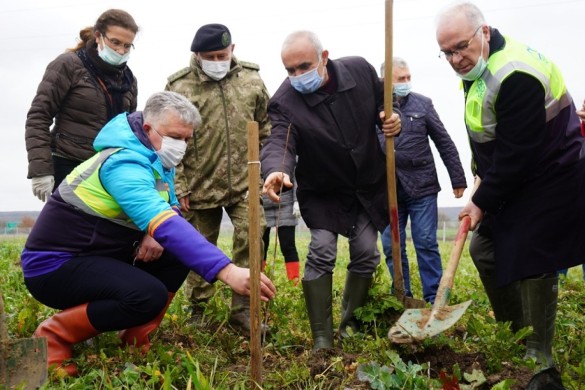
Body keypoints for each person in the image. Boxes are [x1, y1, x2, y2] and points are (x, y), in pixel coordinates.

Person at [21, 91, 276, 377]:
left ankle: (134, 336)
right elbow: (164, 221)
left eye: (187, 139)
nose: (181, 146)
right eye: (175, 137)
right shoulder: (123, 164)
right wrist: (227, 271)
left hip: (98, 254)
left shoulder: (154, 160)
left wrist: (153, 232)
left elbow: (169, 209)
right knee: (146, 296)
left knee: (176, 256)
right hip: (54, 267)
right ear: (147, 129)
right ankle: (54, 336)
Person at [436, 2, 585, 386]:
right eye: (447, 51)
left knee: (534, 255)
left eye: (461, 47)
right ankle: (516, 332)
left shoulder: (514, 73)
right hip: (516, 172)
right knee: (484, 249)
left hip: (552, 172)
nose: (455, 58)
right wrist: (479, 174)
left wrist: (482, 201)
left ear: (484, 32)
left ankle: (540, 357)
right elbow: (485, 129)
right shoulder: (479, 66)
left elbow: (519, 153)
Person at [261, 30, 402, 351]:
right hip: (323, 191)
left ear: (324, 58)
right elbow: (279, 141)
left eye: (304, 66)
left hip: (367, 185)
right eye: (290, 70)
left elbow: (386, 99)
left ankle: (350, 324)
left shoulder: (360, 70)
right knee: (322, 250)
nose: (297, 76)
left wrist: (393, 118)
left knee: (367, 252)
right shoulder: (284, 102)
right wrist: (277, 169)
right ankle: (322, 337)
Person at [164, 23, 271, 336]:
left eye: (221, 54)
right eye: (209, 55)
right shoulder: (179, 87)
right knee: (199, 247)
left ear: (232, 50)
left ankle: (244, 311)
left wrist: (259, 168)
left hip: (243, 183)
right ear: (196, 55)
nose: (216, 60)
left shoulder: (252, 80)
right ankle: (198, 310)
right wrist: (179, 184)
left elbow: (265, 126)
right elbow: (169, 140)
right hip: (198, 185)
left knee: (253, 237)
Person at [25, 9, 139, 202]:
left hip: (107, 170)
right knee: (67, 230)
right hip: (69, 165)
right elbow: (39, 116)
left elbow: (127, 130)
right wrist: (41, 169)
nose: (121, 51)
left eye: (127, 46)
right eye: (115, 42)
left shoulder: (128, 79)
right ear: (98, 36)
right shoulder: (69, 65)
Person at [379, 57, 467, 304]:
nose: (407, 83)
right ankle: (402, 296)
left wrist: (457, 177)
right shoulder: (373, 109)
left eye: (408, 78)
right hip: (388, 190)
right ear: (385, 82)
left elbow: (444, 142)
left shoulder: (423, 104)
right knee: (391, 244)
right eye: (401, 79)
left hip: (422, 187)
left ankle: (434, 298)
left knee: (426, 241)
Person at [262, 181, 300, 285]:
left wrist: (297, 200)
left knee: (288, 246)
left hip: (286, 203)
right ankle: (258, 281)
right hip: (262, 202)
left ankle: (294, 283)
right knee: (261, 245)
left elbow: (295, 177)